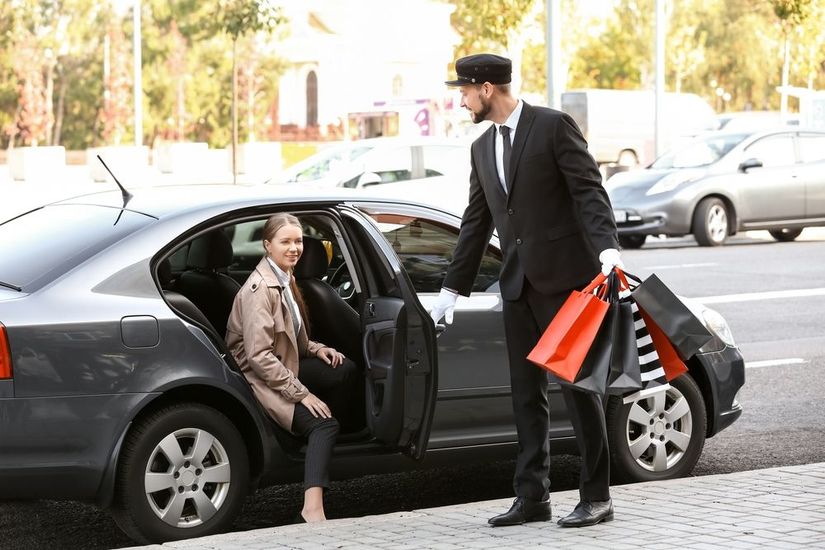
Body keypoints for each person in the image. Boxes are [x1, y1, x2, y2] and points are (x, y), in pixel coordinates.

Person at [432, 54, 624, 528]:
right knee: (525, 396)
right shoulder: (481, 147)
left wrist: (608, 249)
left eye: (464, 91)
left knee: (580, 392)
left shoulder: (553, 127)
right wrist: (452, 290)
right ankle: (533, 496)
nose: (461, 100)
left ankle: (597, 496)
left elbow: (589, 192)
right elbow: (476, 224)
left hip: (566, 283)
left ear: (487, 89)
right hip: (516, 287)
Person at [226, 213, 361, 523]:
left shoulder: (285, 278)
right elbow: (259, 357)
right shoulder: (260, 291)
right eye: (285, 242)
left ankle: (319, 444)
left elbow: (290, 338)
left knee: (344, 369)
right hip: (260, 377)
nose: (294, 248)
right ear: (267, 245)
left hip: (284, 364)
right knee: (324, 423)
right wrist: (302, 396)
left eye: (298, 241)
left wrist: (318, 348)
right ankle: (312, 507)